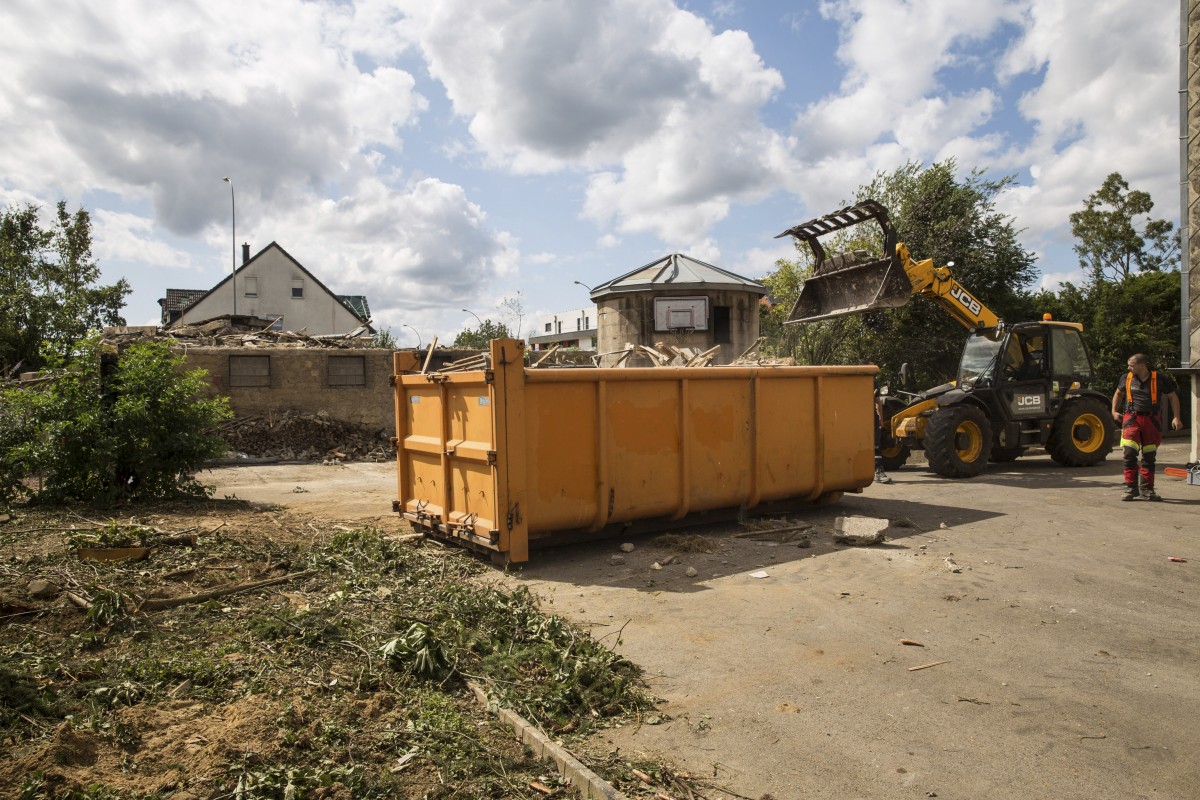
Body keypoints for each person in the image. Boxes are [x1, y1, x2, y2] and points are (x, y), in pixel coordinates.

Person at [1111, 353, 1182, 501]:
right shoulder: (1126, 378)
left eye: (1131, 365)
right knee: (1129, 454)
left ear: (1141, 365)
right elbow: (1118, 393)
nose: (1128, 367)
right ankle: (1131, 489)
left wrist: (1176, 417)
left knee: (1149, 456)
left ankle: (1147, 490)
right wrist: (1114, 411)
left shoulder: (1161, 379)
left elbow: (1173, 397)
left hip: (1151, 420)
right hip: (1132, 419)